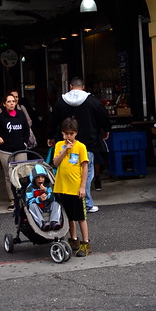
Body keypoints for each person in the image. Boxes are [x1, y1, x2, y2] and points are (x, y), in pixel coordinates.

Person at [48, 77, 111, 212]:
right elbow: (104, 117)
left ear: (70, 86)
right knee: (86, 174)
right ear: (83, 87)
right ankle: (85, 202)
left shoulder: (61, 101)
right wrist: (105, 130)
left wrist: (51, 136)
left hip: (66, 144)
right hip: (87, 144)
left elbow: (53, 120)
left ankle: (69, 202)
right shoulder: (92, 101)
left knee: (66, 173)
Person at [53, 117, 91, 257]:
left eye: (72, 133)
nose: (69, 136)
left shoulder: (81, 147)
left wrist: (82, 187)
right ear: (63, 133)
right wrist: (65, 150)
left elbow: (85, 167)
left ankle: (85, 243)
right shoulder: (59, 145)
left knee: (80, 216)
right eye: (66, 133)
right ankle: (73, 239)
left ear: (76, 133)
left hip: (75, 187)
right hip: (62, 187)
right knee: (69, 216)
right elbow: (55, 163)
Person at [0, 93, 29, 210]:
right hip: (5, 150)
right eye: (9, 101)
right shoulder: (1, 117)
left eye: (13, 101)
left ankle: (23, 198)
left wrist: (25, 143)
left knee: (22, 174)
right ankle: (12, 200)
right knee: (9, 175)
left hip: (20, 149)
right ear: (4, 104)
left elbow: (27, 130)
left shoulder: (21, 115)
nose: (12, 103)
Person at [25, 163, 62, 231]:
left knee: (56, 204)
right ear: (34, 178)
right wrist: (39, 199)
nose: (40, 179)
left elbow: (52, 199)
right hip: (37, 208)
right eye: (38, 177)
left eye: (42, 177)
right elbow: (28, 201)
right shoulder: (30, 188)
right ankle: (42, 223)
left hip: (47, 206)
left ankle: (54, 221)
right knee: (32, 206)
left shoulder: (47, 186)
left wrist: (46, 192)